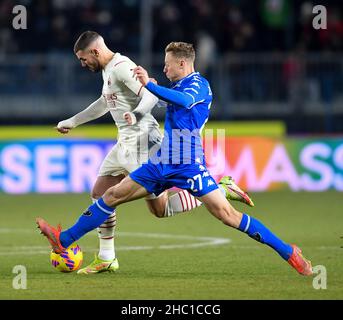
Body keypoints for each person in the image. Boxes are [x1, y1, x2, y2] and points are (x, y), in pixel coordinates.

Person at [37, 41, 313, 276]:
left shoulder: (199, 85)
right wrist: (146, 93)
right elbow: (153, 100)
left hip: (189, 165)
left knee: (227, 216)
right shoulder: (176, 85)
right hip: (161, 162)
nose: (165, 68)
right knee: (111, 196)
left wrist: (151, 86)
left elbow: (182, 101)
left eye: (168, 64)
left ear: (182, 63)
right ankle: (64, 239)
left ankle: (289, 252)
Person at [55, 31, 254, 274]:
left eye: (83, 58)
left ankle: (220, 189)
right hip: (124, 143)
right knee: (99, 192)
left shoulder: (121, 66)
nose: (82, 63)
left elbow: (149, 93)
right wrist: (73, 121)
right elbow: (104, 103)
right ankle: (107, 257)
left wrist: (137, 114)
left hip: (143, 143)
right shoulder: (108, 70)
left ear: (94, 52)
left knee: (159, 209)